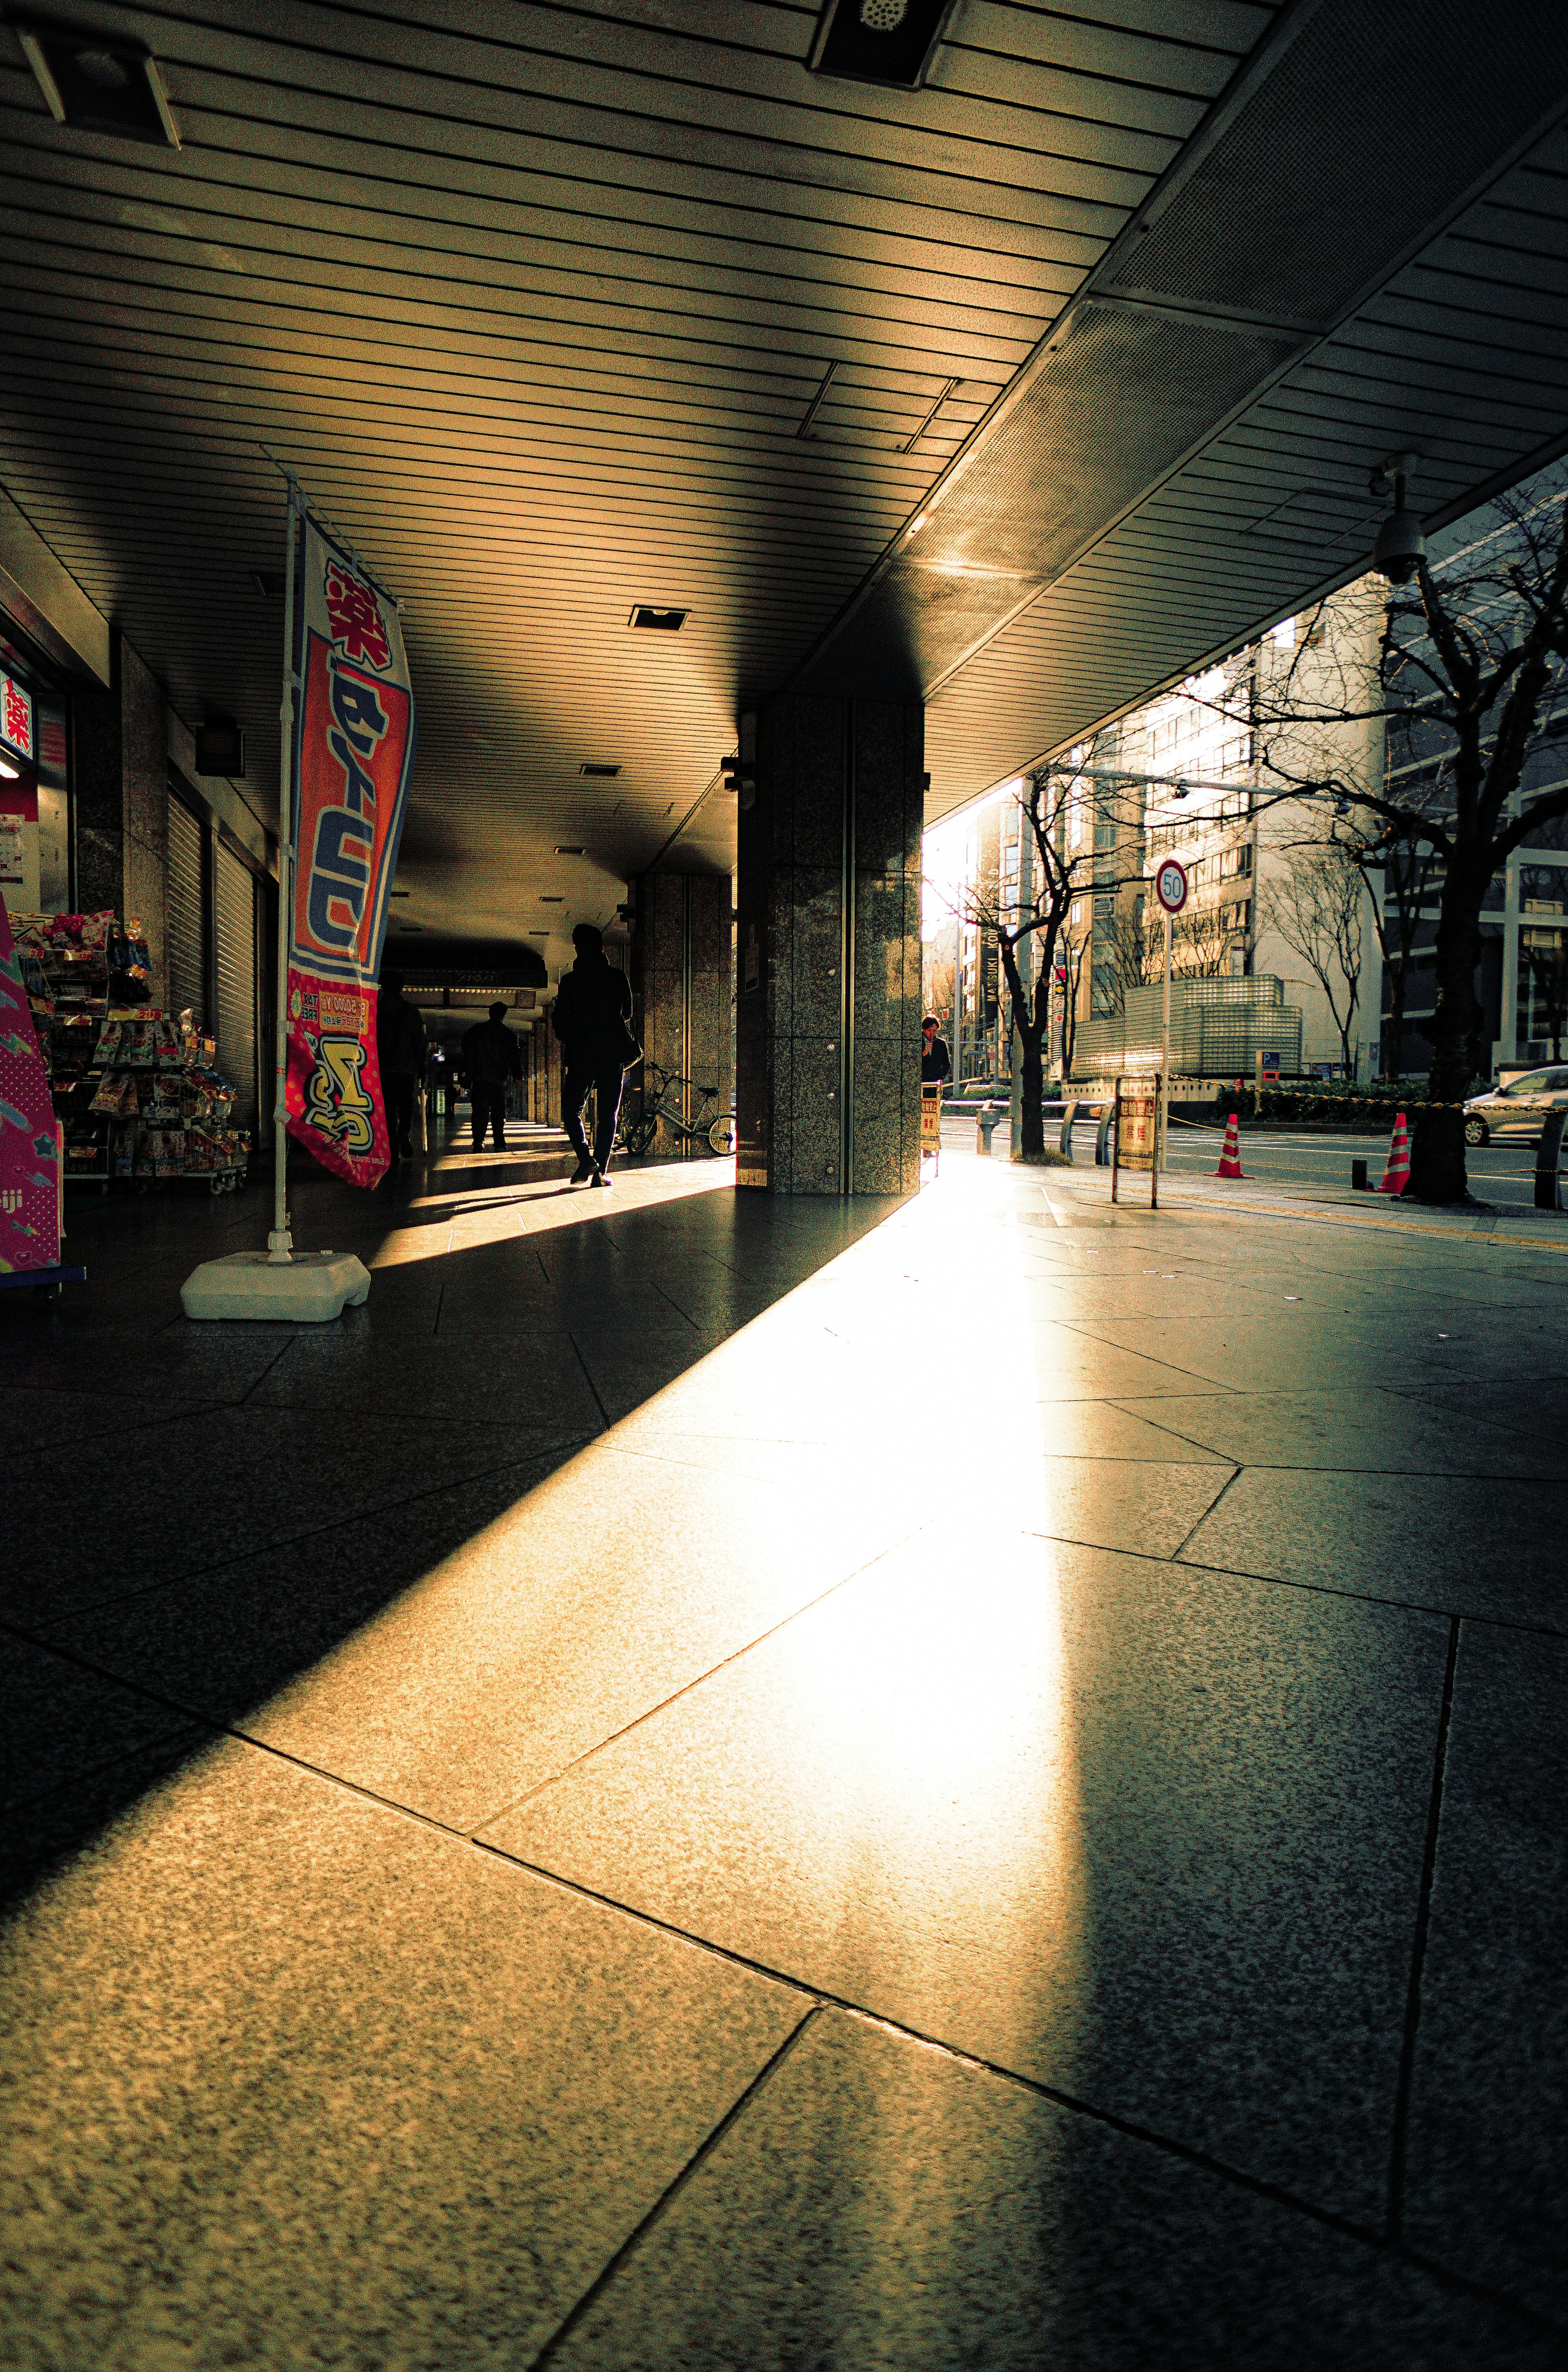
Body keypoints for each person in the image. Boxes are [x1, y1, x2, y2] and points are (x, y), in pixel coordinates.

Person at [552, 922, 635, 1186]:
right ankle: (600, 1174)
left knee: (571, 1109)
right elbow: (629, 1013)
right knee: (608, 1113)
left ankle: (586, 1159)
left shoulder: (569, 982)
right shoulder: (617, 977)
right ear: (602, 947)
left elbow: (561, 1021)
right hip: (612, 1052)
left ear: (576, 948)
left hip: (582, 1053)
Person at [376, 970, 427, 1159]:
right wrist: (423, 1064)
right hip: (407, 1068)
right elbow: (419, 1040)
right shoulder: (411, 1011)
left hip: (383, 1068)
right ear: (401, 988)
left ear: (382, 987)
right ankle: (404, 1133)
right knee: (407, 1104)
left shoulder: (376, 1010)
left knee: (387, 1107)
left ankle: (392, 1143)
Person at [461, 1000, 522, 1152]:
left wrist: (468, 1074)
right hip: (498, 1081)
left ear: (489, 1013)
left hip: (480, 1079)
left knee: (479, 1112)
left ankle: (478, 1142)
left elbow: (467, 1051)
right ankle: (499, 1142)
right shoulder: (509, 1035)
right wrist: (517, 1075)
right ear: (504, 1015)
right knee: (498, 1112)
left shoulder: (476, 1031)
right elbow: (515, 1057)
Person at [921, 1014, 952, 1090]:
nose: (932, 1034)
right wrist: (924, 1055)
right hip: (921, 1082)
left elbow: (946, 1064)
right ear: (923, 1030)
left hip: (935, 1083)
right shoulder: (918, 1043)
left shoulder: (941, 1044)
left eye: (934, 1031)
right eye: (929, 1031)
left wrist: (940, 1076)